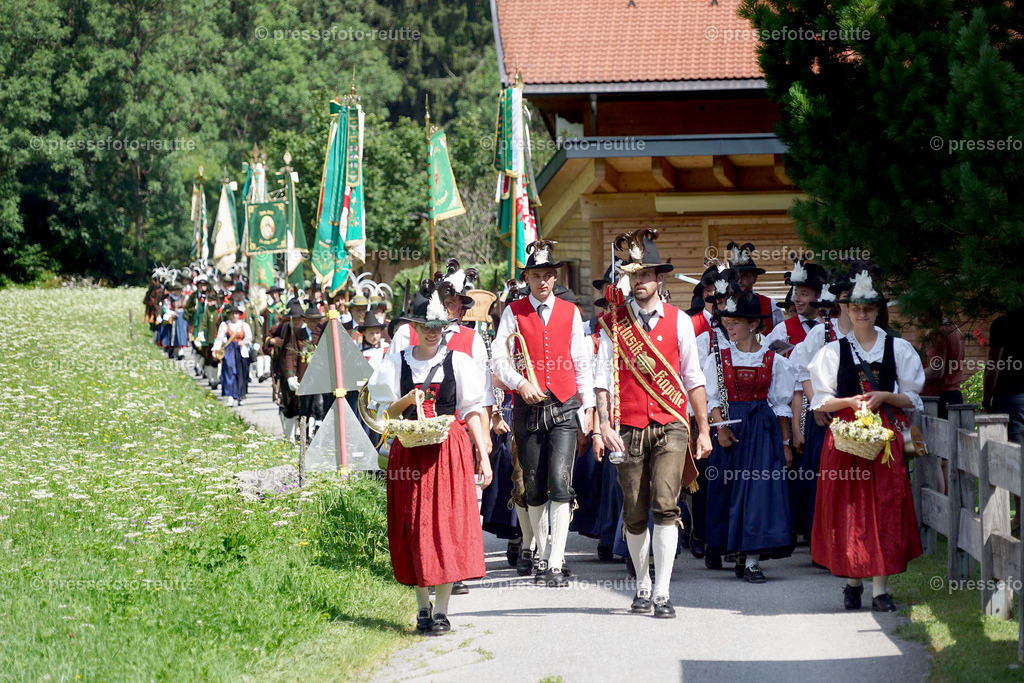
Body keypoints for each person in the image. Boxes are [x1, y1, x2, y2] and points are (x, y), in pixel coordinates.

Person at [594, 229, 712, 617]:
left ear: (660, 278)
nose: (639, 281)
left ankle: (662, 591)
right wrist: (602, 426)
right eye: (633, 275)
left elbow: (693, 377)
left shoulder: (680, 322)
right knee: (634, 511)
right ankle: (642, 584)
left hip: (672, 425)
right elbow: (602, 380)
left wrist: (704, 429)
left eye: (646, 274)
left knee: (666, 505)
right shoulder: (615, 322)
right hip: (625, 427)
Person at [369, 282, 492, 637]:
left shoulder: (460, 362)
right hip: (408, 451)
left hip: (448, 452)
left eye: (438, 328)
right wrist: (407, 402)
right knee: (413, 526)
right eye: (426, 328)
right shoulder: (396, 361)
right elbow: (380, 413)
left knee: (445, 527)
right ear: (415, 328)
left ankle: (442, 611)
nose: (432, 334)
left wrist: (482, 456)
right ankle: (422, 608)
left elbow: (471, 412)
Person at [808, 262, 925, 611]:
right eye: (855, 308)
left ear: (877, 311)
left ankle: (880, 589)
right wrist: (849, 401)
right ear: (847, 310)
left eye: (868, 308)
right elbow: (820, 402)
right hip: (845, 440)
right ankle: (852, 581)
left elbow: (912, 398)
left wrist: (884, 397)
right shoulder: (832, 351)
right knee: (849, 509)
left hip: (885, 440)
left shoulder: (899, 349)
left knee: (885, 507)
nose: (861, 314)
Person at [492, 240, 596, 588]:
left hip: (564, 406)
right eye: (536, 276)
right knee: (534, 488)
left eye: (548, 276)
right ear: (528, 278)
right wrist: (520, 383)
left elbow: (582, 363)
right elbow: (499, 359)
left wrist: (587, 412)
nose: (542, 282)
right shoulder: (514, 311)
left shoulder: (570, 311)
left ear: (555, 277)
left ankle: (554, 561)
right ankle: (540, 551)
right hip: (527, 409)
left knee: (561, 483)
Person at [703, 290, 796, 582]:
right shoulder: (719, 359)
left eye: (735, 323)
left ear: (754, 325)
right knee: (727, 489)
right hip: (730, 428)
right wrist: (720, 428)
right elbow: (712, 399)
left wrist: (785, 445)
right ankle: (731, 549)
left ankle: (752, 559)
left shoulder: (774, 361)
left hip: (761, 431)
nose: (729, 328)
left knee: (758, 493)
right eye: (726, 323)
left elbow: (780, 406)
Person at [787, 270, 853, 541]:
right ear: (838, 301)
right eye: (847, 298)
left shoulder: (876, 336)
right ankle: (825, 542)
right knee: (823, 480)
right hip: (826, 418)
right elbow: (801, 371)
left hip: (860, 416)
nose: (853, 305)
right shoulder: (822, 334)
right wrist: (817, 404)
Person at [726, 242, 782, 331]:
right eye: (736, 277)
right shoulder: (723, 305)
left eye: (745, 276)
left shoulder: (771, 305)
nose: (739, 280)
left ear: (754, 278)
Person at [212, 304, 253, 407]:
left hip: (241, 350)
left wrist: (244, 342)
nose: (234, 316)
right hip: (229, 350)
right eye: (233, 314)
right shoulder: (225, 325)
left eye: (236, 314)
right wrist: (215, 349)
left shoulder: (244, 325)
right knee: (229, 371)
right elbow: (219, 338)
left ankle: (240, 395)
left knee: (241, 373)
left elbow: (249, 338)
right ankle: (230, 396)